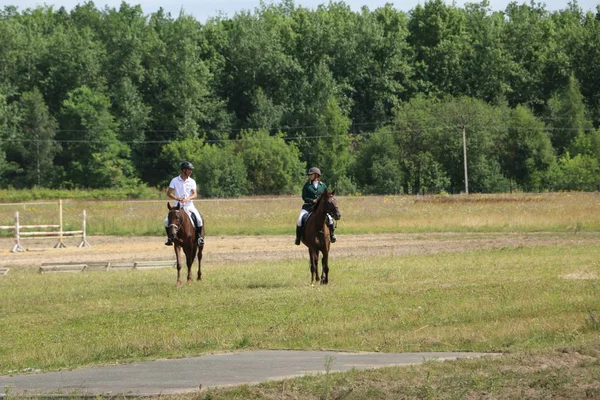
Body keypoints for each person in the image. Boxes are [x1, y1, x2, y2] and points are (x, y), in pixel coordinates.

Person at [164, 161, 204, 246]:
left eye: (191, 170)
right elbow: (169, 193)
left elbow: (195, 194)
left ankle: (199, 238)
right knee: (166, 221)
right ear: (183, 170)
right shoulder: (174, 180)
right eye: (189, 170)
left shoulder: (192, 181)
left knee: (199, 220)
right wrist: (177, 198)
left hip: (189, 206)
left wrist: (188, 198)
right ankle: (169, 239)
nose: (191, 171)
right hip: (177, 206)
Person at [295, 167, 337, 245]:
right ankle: (298, 238)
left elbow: (326, 197)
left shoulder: (323, 185)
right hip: (308, 207)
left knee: (330, 219)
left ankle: (332, 235)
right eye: (309, 175)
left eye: (311, 175)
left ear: (316, 175)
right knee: (299, 220)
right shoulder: (307, 185)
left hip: (320, 209)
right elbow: (304, 197)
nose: (309, 176)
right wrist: (312, 200)